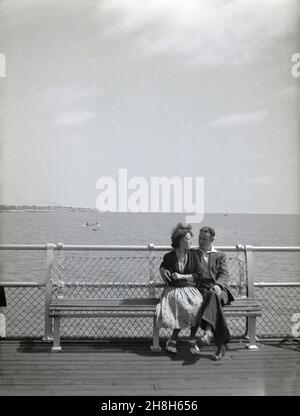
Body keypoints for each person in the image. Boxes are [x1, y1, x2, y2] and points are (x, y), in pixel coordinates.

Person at [156, 223, 203, 354]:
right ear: (180, 241)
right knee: (181, 304)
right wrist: (163, 270)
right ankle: (174, 338)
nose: (191, 242)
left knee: (198, 305)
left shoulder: (194, 255)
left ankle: (191, 338)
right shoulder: (169, 257)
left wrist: (183, 276)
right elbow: (170, 278)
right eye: (188, 239)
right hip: (174, 290)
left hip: (189, 289)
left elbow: (198, 275)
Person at [193, 226, 234, 360]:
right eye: (199, 238)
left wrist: (218, 285)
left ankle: (208, 333)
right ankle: (220, 345)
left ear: (211, 240)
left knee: (213, 295)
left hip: (220, 290)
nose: (200, 241)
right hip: (204, 291)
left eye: (204, 239)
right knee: (212, 298)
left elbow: (224, 274)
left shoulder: (220, 255)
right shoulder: (193, 254)